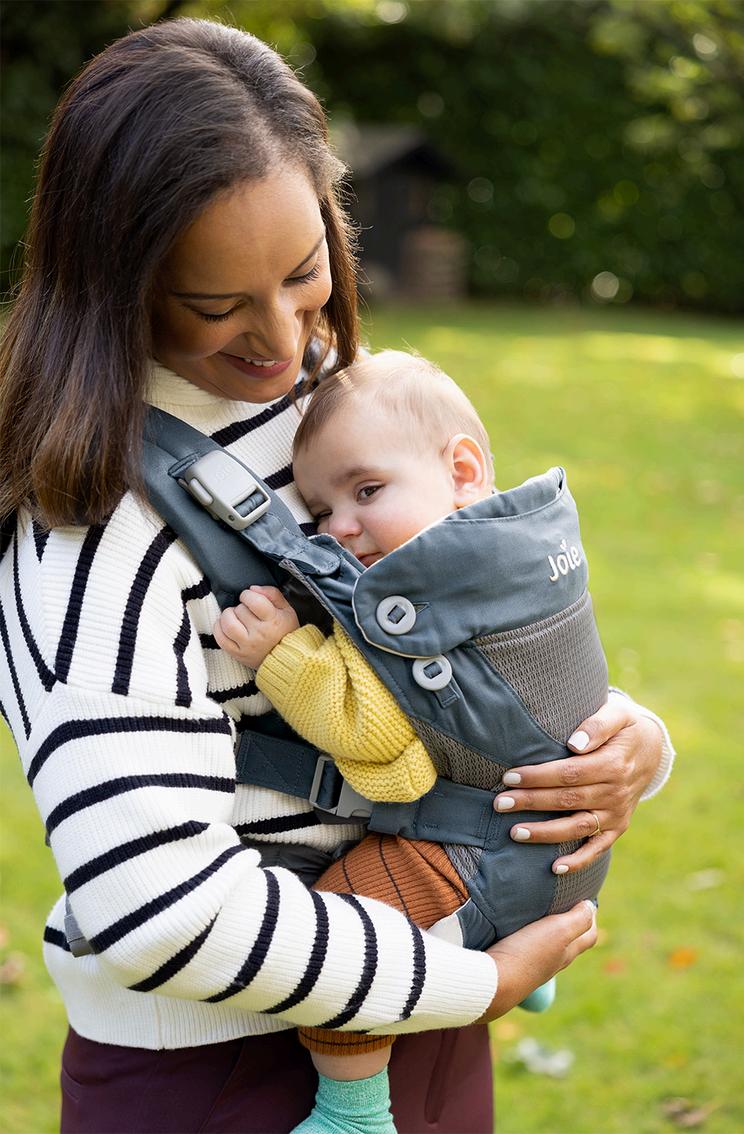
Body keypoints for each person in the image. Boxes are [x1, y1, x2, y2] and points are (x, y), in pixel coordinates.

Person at [0, 18, 673, 1134]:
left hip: (425, 997)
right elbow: (152, 904)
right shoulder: (86, 524)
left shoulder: (333, 398)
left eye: (304, 273)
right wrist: (466, 983)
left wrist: (625, 744)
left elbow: (463, 630)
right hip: (224, 1072)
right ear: (115, 283)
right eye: (216, 306)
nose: (281, 341)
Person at [214, 348, 605, 1134]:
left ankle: (354, 1112)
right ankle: (517, 944)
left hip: (480, 861)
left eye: (366, 491)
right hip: (569, 862)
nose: (340, 527)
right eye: (320, 510)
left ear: (462, 469)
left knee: (338, 940)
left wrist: (285, 655)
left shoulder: (419, 599)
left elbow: (389, 759)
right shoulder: (525, 546)